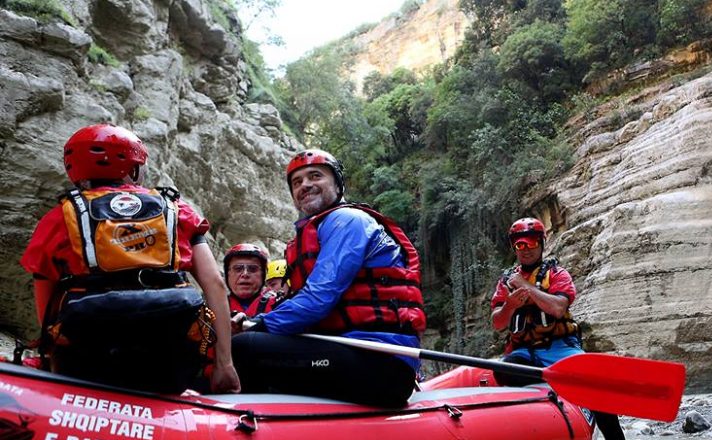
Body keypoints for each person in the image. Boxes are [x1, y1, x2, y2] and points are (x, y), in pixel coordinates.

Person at [19, 124, 239, 394]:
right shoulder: (177, 210)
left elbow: (47, 304)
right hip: (169, 364)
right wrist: (224, 364)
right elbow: (215, 284)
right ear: (133, 168)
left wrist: (49, 356)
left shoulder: (59, 217)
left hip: (87, 363)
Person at [232, 149, 425, 407]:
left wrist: (261, 324)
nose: (305, 185)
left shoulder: (347, 221)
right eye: (297, 182)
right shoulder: (316, 231)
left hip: (380, 360)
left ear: (337, 184)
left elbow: (318, 299)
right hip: (342, 350)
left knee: (244, 348)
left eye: (315, 176)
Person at [490, 217, 626, 440]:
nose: (525, 250)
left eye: (531, 243)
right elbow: (497, 323)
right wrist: (511, 305)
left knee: (600, 392)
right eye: (519, 245)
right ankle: (552, 395)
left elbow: (557, 307)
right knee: (502, 371)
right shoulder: (505, 282)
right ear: (514, 247)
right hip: (525, 353)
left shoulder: (558, 274)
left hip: (561, 350)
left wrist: (526, 288)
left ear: (542, 244)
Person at [224, 244, 278, 317]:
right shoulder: (213, 307)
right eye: (238, 268)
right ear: (228, 274)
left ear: (263, 274)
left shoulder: (279, 306)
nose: (245, 274)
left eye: (253, 269)